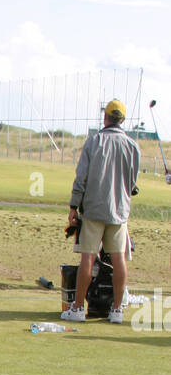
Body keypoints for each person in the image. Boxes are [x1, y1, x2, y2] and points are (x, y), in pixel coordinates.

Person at [62, 98, 140, 324]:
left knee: (88, 257)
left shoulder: (94, 141)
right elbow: (132, 182)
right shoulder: (133, 146)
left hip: (94, 210)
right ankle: (117, 310)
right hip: (119, 210)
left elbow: (81, 177)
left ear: (105, 117)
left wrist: (73, 206)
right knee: (119, 259)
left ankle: (77, 308)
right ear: (122, 119)